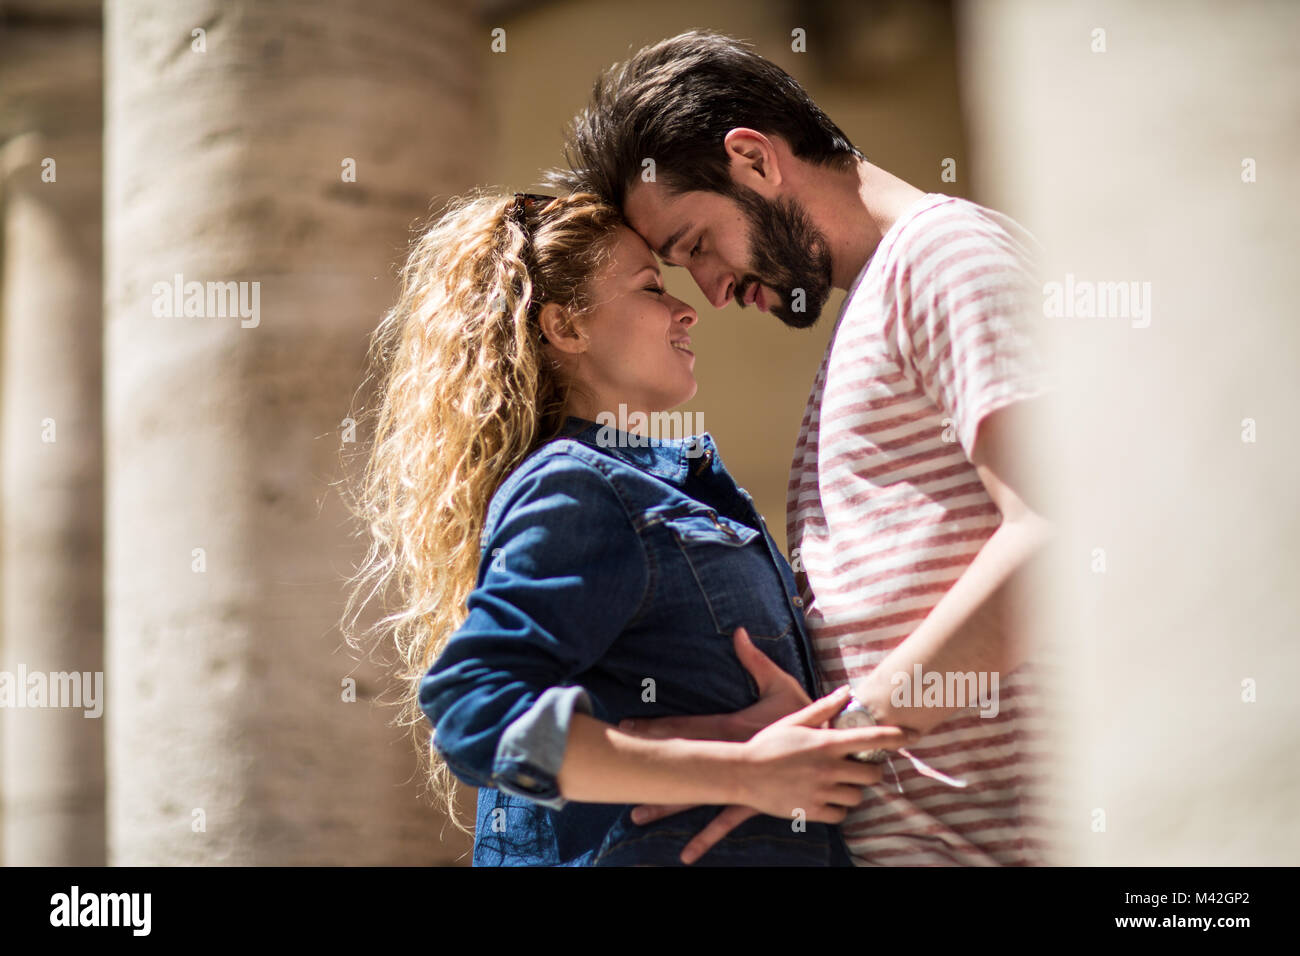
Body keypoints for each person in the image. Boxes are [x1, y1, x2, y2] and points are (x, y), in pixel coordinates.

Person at [547, 30, 1055, 866]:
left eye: (697, 245)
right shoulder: (878, 299)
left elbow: (1056, 535)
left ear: (752, 158)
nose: (708, 291)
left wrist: (847, 732)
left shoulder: (946, 256)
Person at [343, 189, 913, 866]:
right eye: (651, 288)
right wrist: (743, 773)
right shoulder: (579, 487)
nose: (688, 311)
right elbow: (474, 710)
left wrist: (750, 745)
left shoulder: (655, 482)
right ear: (566, 327)